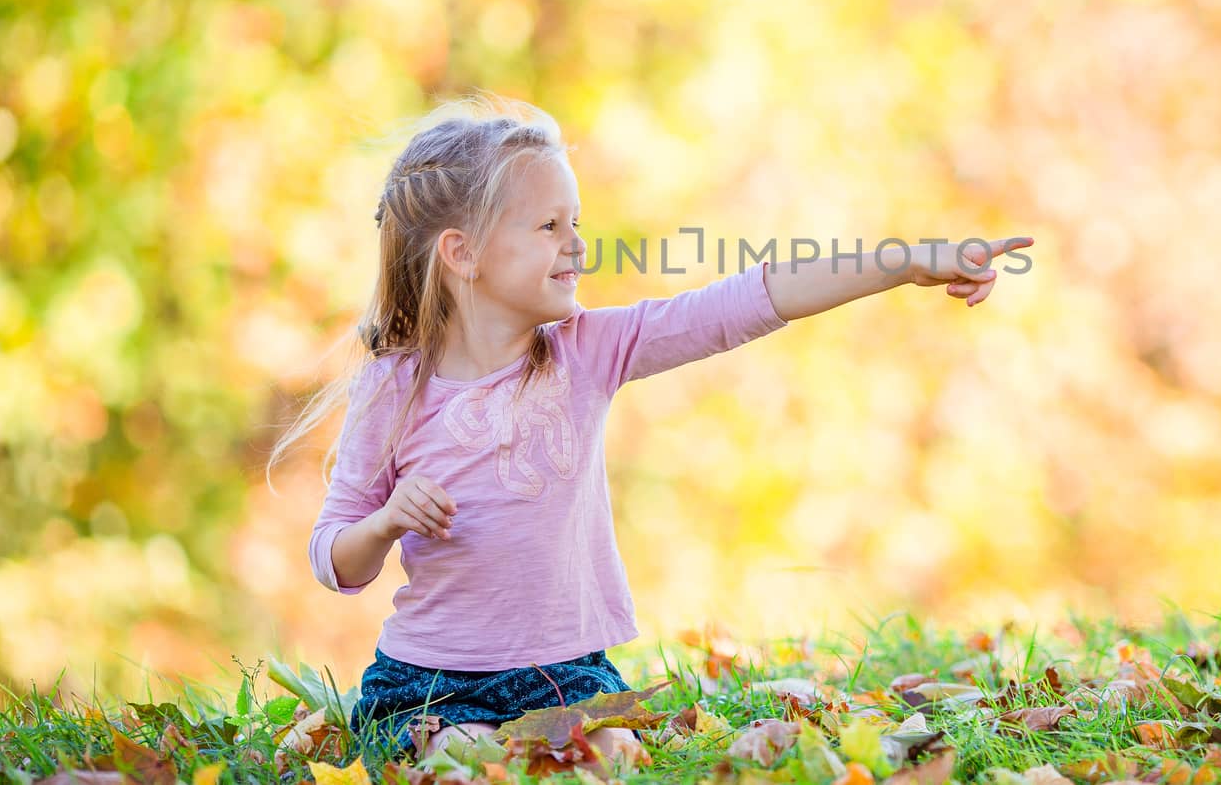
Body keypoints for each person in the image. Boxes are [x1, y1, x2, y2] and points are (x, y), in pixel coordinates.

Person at [267, 90, 1032, 769]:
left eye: (577, 223)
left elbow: (747, 299)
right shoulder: (393, 387)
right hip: (428, 678)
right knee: (458, 759)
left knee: (610, 752)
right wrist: (388, 519)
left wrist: (905, 264)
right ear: (462, 253)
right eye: (548, 225)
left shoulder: (588, 352)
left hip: (565, 672)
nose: (576, 244)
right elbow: (337, 558)